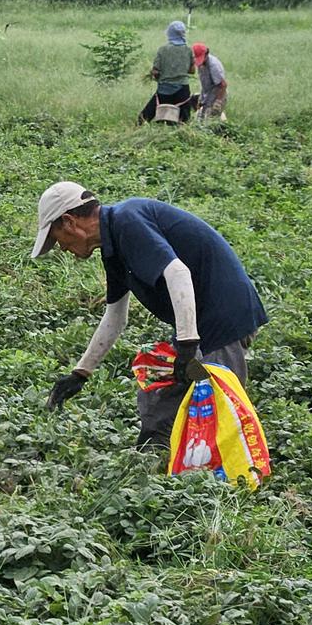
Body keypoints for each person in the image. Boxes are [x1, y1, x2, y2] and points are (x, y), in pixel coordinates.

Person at [32, 181, 268, 446]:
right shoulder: (113, 246)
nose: (62, 248)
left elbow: (178, 273)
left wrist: (187, 346)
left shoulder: (127, 220)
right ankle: (154, 450)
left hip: (224, 318)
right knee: (157, 394)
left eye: (57, 239)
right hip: (198, 324)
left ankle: (232, 467)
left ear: (69, 221)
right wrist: (80, 373)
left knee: (217, 406)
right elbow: (115, 317)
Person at [139, 21, 195, 124]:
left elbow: (156, 71)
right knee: (184, 122)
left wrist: (154, 75)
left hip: (164, 91)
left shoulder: (163, 50)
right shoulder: (188, 50)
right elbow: (192, 71)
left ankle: (137, 128)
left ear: (169, 34)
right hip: (183, 91)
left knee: (144, 117)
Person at [193, 42, 228, 120]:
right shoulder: (201, 65)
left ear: (206, 54)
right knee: (200, 120)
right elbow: (204, 83)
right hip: (206, 97)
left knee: (209, 122)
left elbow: (223, 85)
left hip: (216, 96)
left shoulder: (214, 65)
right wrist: (200, 99)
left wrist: (218, 102)